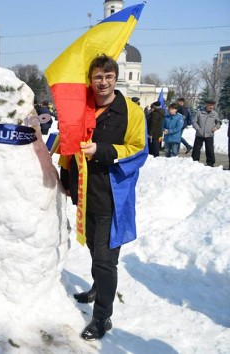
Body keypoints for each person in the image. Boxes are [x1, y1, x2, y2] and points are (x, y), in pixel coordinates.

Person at [60, 54, 147, 341]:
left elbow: (138, 151)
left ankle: (102, 318)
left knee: (105, 261)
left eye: (108, 77)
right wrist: (65, 173)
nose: (103, 82)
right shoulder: (83, 108)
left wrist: (103, 151)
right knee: (94, 251)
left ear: (115, 78)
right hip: (85, 194)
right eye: (98, 77)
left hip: (112, 195)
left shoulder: (130, 112)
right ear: (91, 79)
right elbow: (69, 142)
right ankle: (98, 288)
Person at [191, 99, 221, 167]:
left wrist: (216, 127)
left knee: (210, 150)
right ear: (206, 105)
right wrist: (198, 129)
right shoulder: (199, 112)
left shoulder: (215, 114)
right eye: (209, 105)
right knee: (196, 149)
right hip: (199, 134)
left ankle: (210, 163)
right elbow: (194, 121)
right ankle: (194, 162)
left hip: (209, 134)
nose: (211, 107)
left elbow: (218, 122)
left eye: (212, 105)